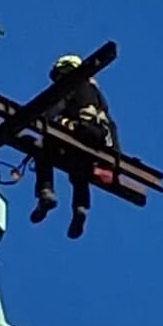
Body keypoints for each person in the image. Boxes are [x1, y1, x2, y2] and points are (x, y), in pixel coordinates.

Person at [30, 54, 119, 240]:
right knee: (80, 168)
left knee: (42, 146)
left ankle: (45, 191)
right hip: (99, 138)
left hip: (79, 131)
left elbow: (51, 112)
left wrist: (40, 119)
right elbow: (111, 125)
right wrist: (114, 158)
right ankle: (81, 207)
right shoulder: (97, 94)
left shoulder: (70, 86)